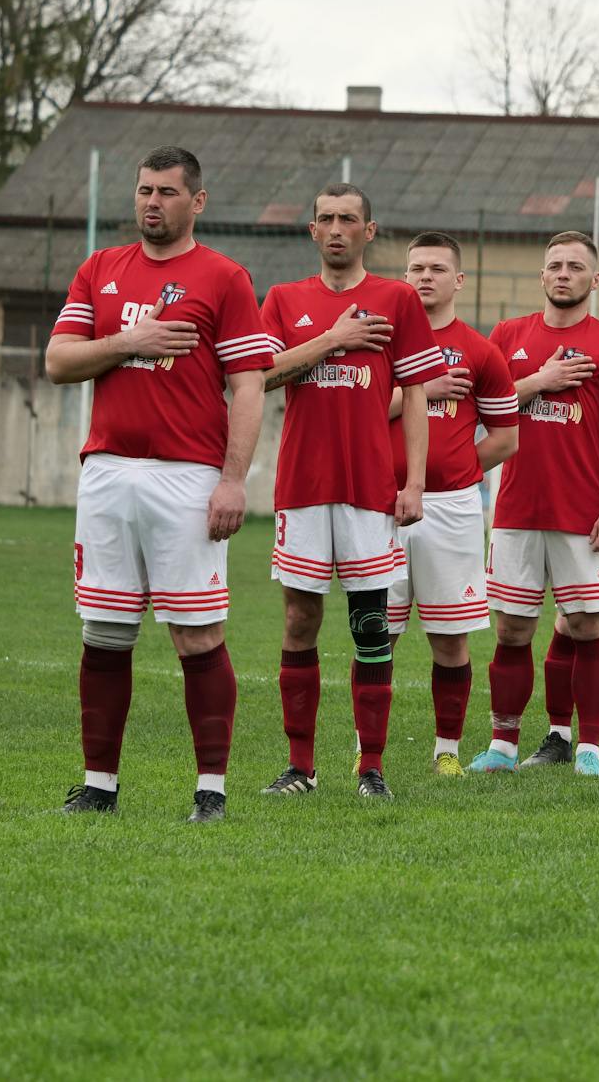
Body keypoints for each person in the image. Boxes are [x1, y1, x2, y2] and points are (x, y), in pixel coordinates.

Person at [48, 146, 272, 822]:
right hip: (109, 472)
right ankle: (98, 786)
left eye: (168, 192)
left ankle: (211, 790)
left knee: (197, 635)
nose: (152, 202)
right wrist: (129, 341)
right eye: (145, 190)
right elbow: (59, 361)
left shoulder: (225, 278)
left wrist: (234, 480)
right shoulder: (101, 268)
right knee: (106, 632)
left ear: (196, 201)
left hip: (188, 477)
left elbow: (249, 384)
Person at [259, 182, 444, 800]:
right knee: (299, 617)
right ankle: (301, 769)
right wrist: (333, 339)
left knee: (370, 624)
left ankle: (372, 770)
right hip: (304, 487)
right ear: (312, 231)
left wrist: (413, 482)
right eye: (325, 219)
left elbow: (416, 394)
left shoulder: (397, 299)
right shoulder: (284, 299)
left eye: (348, 219)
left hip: (370, 489)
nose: (336, 228)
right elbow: (262, 377)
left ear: (369, 230)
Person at [474, 231, 599, 779]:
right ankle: (503, 745)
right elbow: (485, 406)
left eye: (576, 266)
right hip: (517, 510)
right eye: (555, 265)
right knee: (512, 630)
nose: (564, 273)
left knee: (586, 625)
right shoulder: (508, 334)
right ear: (542, 276)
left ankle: (590, 747)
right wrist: (540, 380)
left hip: (582, 514)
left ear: (595, 281)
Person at [386, 233, 519, 777]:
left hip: (454, 508)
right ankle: (364, 750)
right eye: (416, 267)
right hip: (382, 504)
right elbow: (356, 412)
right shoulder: (379, 340)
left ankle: (446, 750)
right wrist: (424, 389)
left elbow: (506, 437)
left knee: (450, 637)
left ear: (458, 280)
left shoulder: (481, 350)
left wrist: (459, 467)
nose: (424, 277)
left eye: (437, 269)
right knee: (377, 631)